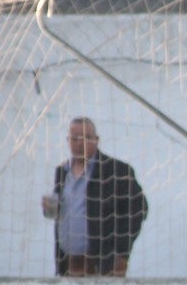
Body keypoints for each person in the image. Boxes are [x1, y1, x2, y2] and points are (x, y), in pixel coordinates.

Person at [43, 116, 148, 276]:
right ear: (68, 141)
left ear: (97, 140)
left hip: (103, 264)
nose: (80, 142)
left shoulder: (116, 170)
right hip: (69, 263)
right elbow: (66, 212)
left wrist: (120, 252)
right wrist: (50, 209)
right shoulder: (62, 172)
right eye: (75, 138)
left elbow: (139, 209)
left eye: (86, 137)